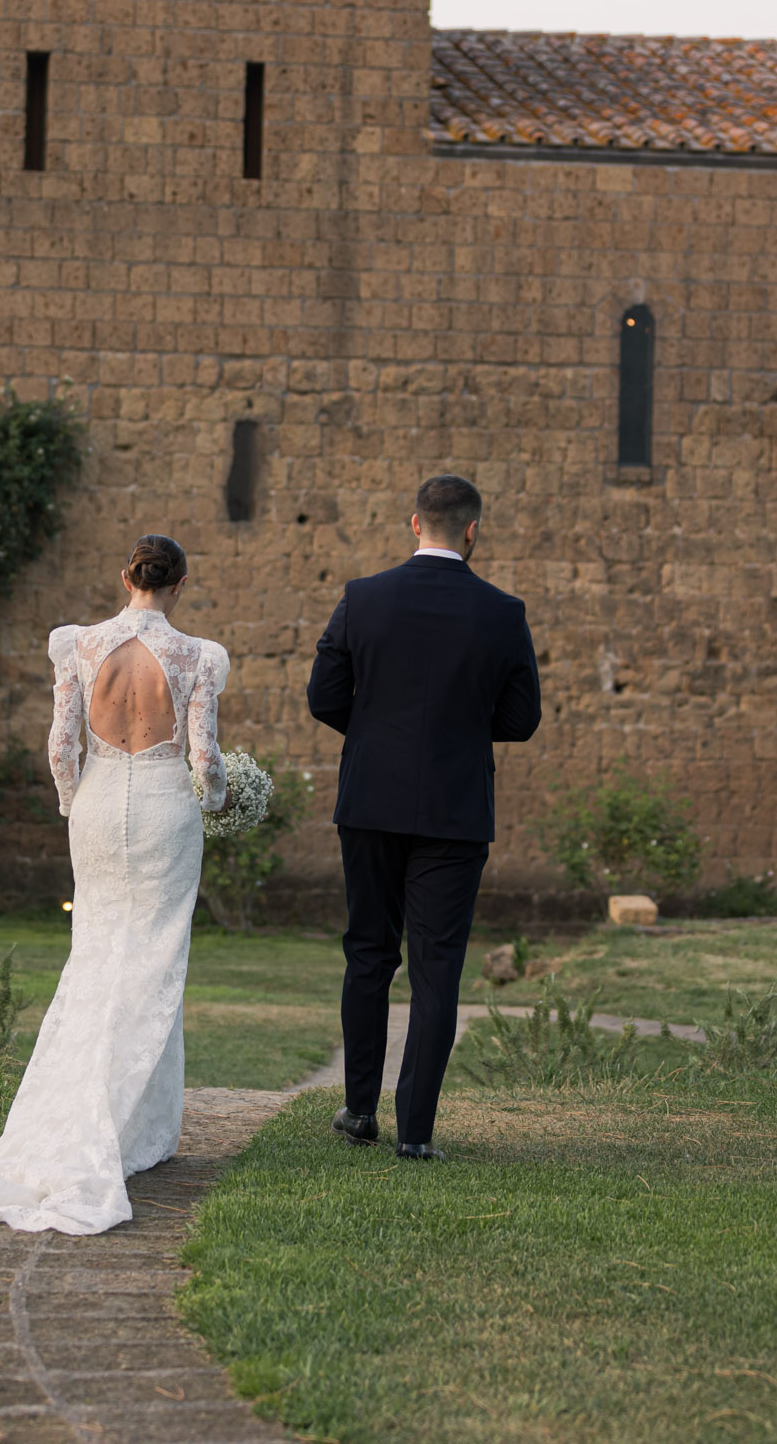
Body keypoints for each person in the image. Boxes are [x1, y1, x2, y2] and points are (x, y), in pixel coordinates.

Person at [0, 533, 229, 1235]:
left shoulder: (76, 644)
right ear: (178, 585)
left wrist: (69, 804)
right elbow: (204, 758)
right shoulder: (198, 656)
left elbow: (60, 745)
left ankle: (128, 1124)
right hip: (166, 811)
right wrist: (223, 800)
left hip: (96, 804)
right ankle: (128, 1127)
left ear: (125, 578)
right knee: (153, 961)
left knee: (96, 955)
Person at [306, 474, 541, 1160]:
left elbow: (323, 696)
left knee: (368, 953)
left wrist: (376, 735)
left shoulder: (362, 598)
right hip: (455, 806)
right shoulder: (502, 612)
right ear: (472, 531)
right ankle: (415, 1134)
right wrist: (460, 735)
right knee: (436, 967)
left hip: (370, 799)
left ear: (415, 524)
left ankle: (357, 1110)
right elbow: (521, 720)